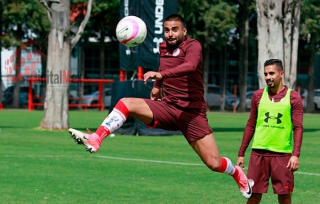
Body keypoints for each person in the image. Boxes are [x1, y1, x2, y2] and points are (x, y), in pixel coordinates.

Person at [68, 14, 253, 199]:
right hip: (168, 107)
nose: (170, 34)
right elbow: (163, 67)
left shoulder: (193, 46)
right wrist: (157, 87)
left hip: (192, 115)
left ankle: (237, 173)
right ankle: (96, 138)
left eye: (175, 29)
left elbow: (190, 66)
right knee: (126, 103)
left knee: (213, 163)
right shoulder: (163, 47)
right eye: (167, 30)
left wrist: (160, 77)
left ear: (184, 31)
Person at [236, 59, 304, 204]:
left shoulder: (293, 97)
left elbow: (298, 127)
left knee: (285, 197)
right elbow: (250, 125)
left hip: (283, 155)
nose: (268, 77)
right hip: (258, 154)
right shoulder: (258, 96)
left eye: (272, 73)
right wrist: (241, 153)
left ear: (281, 74)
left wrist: (295, 155)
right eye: (266, 74)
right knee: (253, 196)